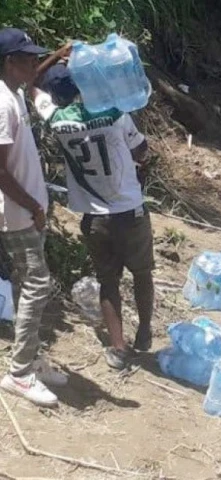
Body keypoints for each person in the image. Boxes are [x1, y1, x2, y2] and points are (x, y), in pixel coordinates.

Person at [34, 64, 153, 370]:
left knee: (108, 281)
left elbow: (31, 84)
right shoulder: (114, 113)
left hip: (94, 218)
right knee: (142, 273)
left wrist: (55, 55)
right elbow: (141, 150)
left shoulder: (56, 119)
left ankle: (118, 347)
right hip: (130, 212)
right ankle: (143, 332)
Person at [0, 28, 71, 407]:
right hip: (18, 213)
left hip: (26, 210)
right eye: (28, 59)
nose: (35, 64)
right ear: (10, 62)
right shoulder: (1, 103)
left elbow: (34, 79)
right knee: (36, 286)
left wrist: (57, 54)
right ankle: (20, 373)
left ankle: (30, 358)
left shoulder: (14, 92)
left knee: (25, 283)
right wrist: (34, 206)